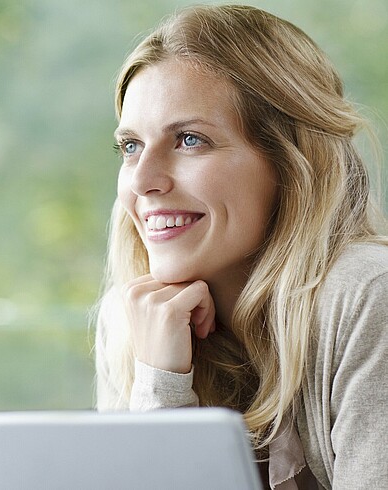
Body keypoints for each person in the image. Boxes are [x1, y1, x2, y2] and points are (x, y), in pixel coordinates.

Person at [94, 4, 388, 489]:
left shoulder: (368, 296)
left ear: (291, 163)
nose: (142, 181)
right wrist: (160, 386)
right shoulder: (134, 322)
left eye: (190, 140)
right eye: (130, 147)